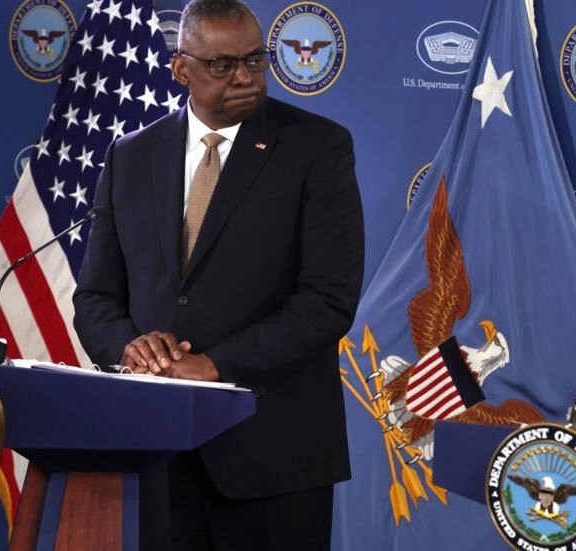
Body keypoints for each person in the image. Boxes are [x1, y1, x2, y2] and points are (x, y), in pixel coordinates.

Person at [71, 0, 364, 548]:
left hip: (272, 460)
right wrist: (131, 348)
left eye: (255, 60)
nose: (245, 78)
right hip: (155, 455)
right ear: (181, 68)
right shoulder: (130, 156)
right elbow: (96, 296)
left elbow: (328, 299)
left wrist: (215, 365)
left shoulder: (318, 147)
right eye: (223, 65)